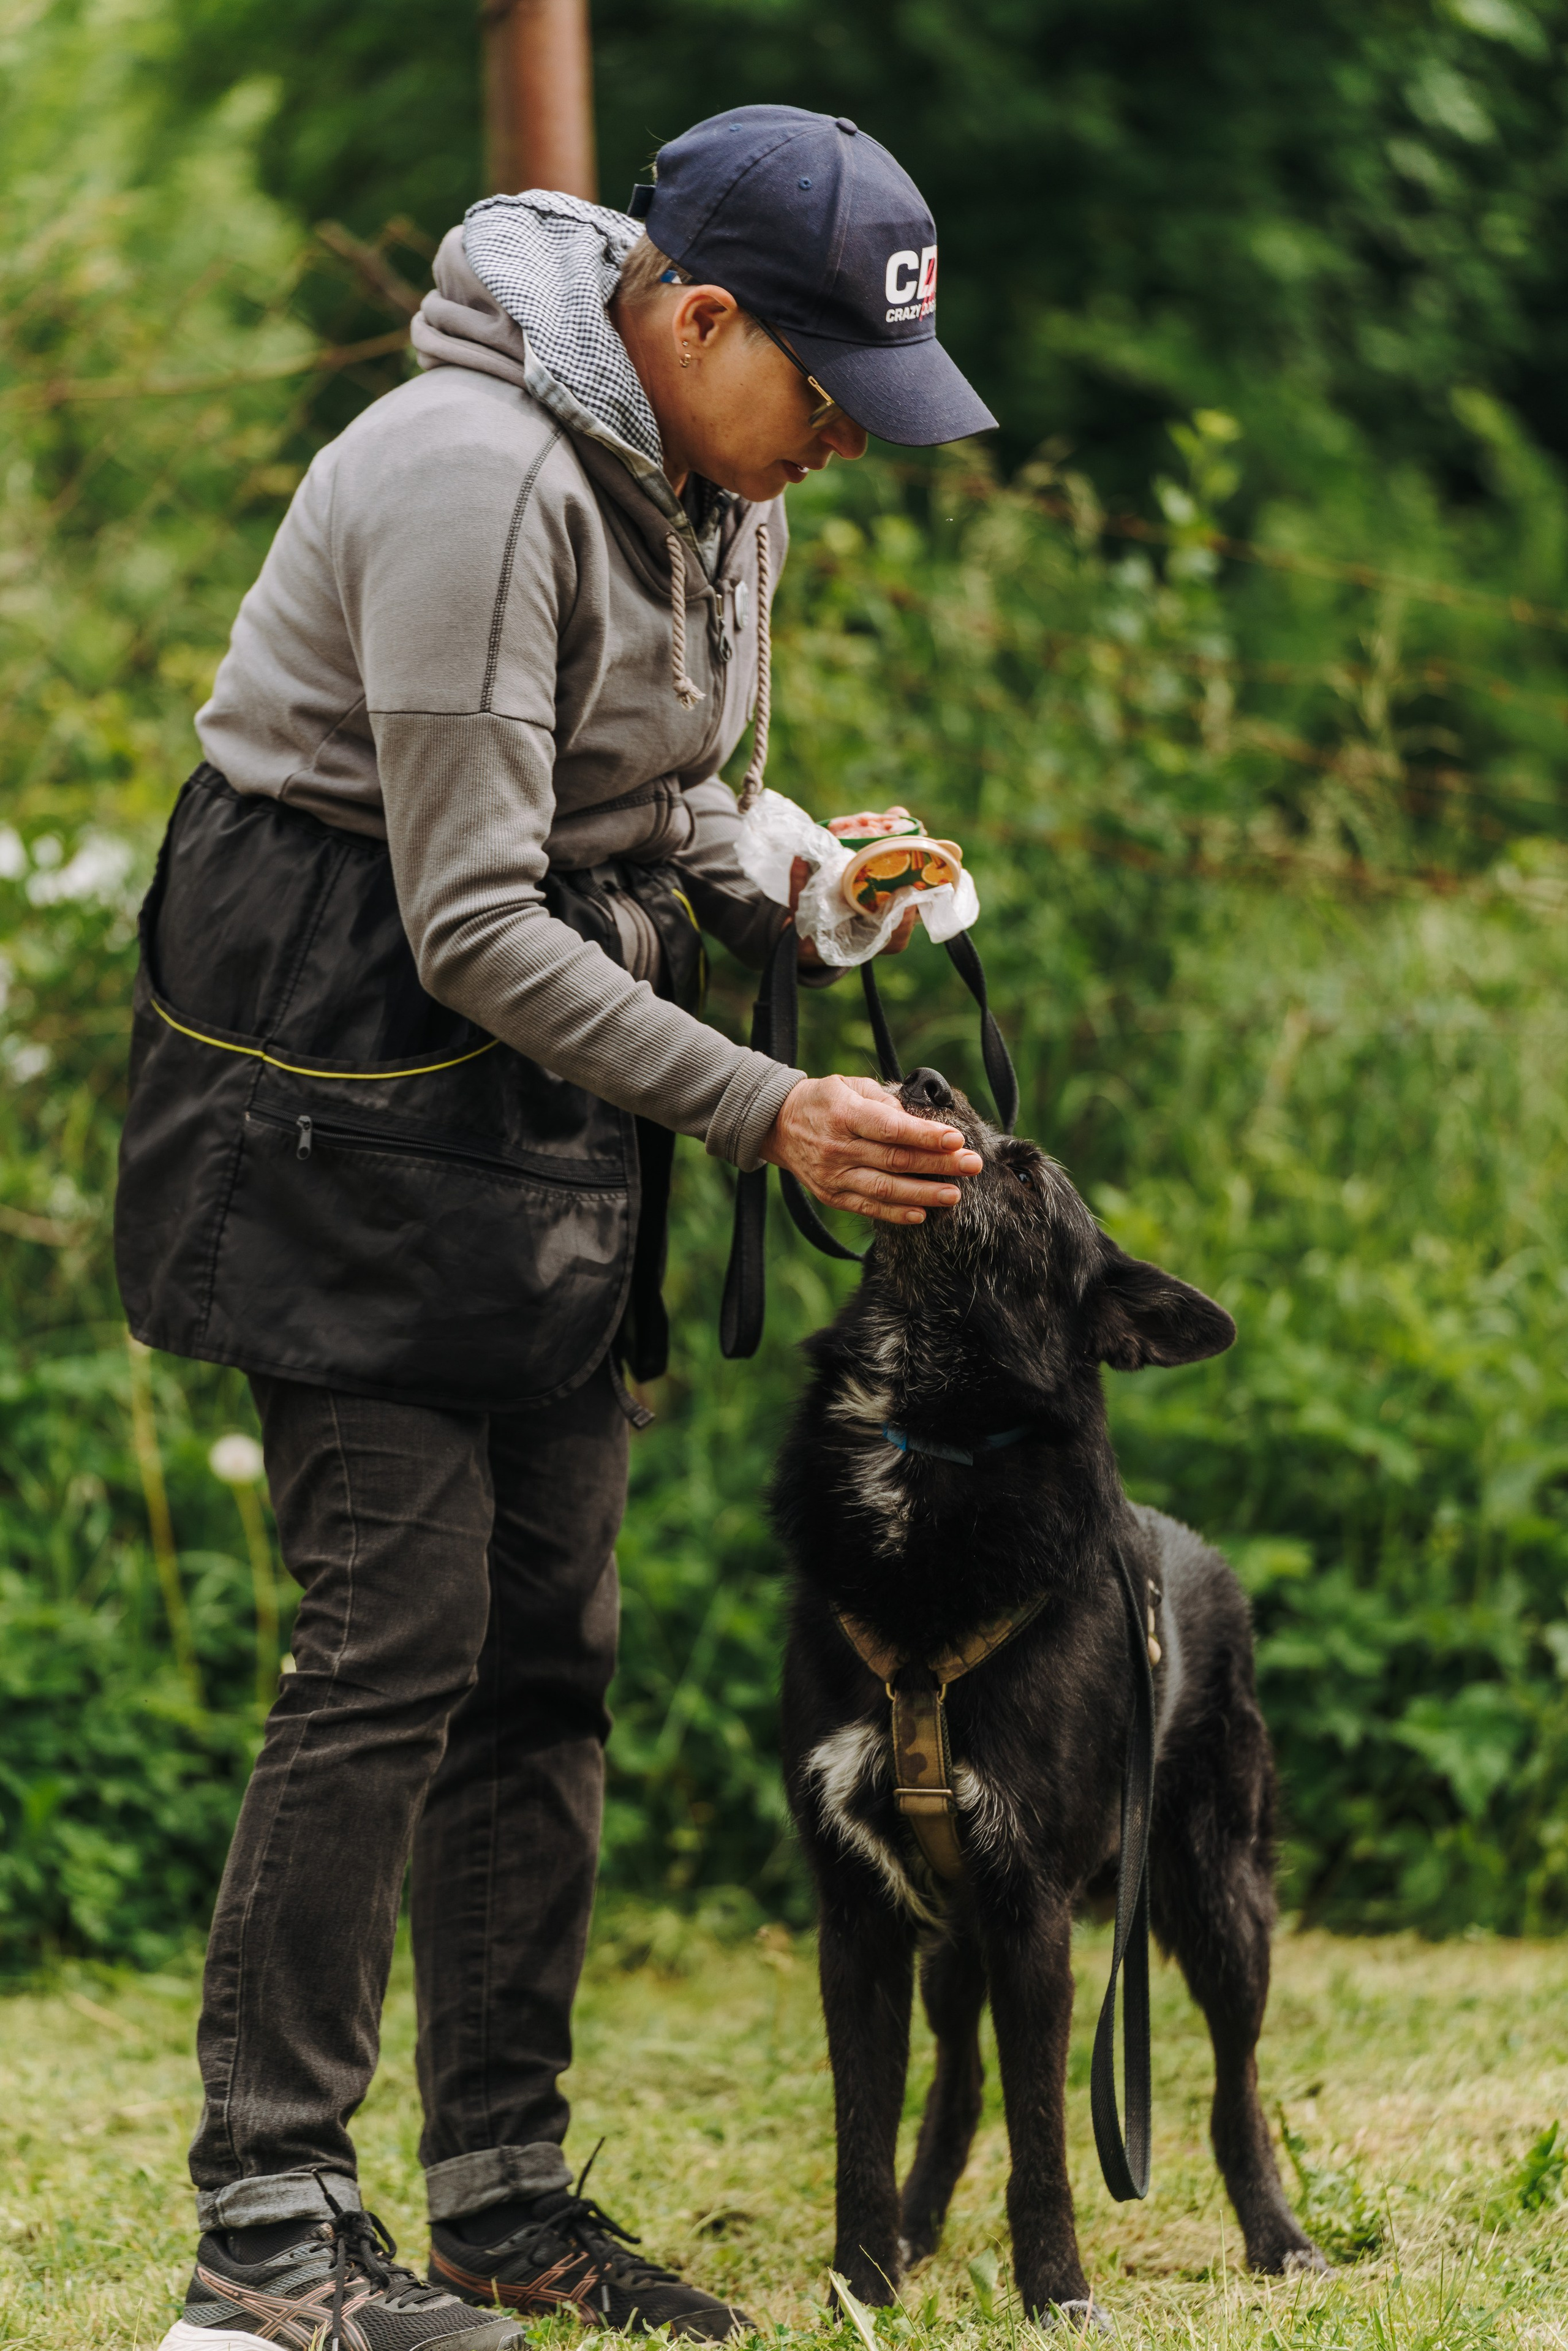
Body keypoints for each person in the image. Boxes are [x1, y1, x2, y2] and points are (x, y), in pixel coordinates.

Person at [118, 104, 995, 2351]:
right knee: (385, 1645)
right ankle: (267, 2246)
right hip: (343, 1069)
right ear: (696, 318)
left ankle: (502, 2195)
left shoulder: (712, 483)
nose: (849, 449)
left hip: (527, 1095)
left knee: (543, 1651)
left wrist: (800, 870)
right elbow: (475, 910)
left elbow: (658, 785)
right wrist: (772, 1107)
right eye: (827, 392)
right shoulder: (469, 474)